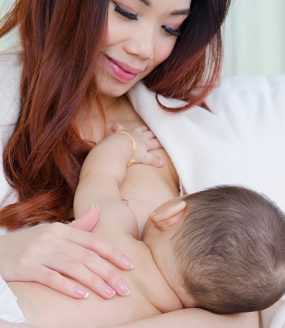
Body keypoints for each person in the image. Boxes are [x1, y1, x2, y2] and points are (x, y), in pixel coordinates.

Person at [0, 0, 258, 327]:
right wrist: (5, 254)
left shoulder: (195, 128)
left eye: (170, 28)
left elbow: (252, 296)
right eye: (126, 11)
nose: (144, 49)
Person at [5, 124, 285, 327]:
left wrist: (125, 142)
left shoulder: (113, 235)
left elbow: (99, 176)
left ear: (172, 213)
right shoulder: (167, 316)